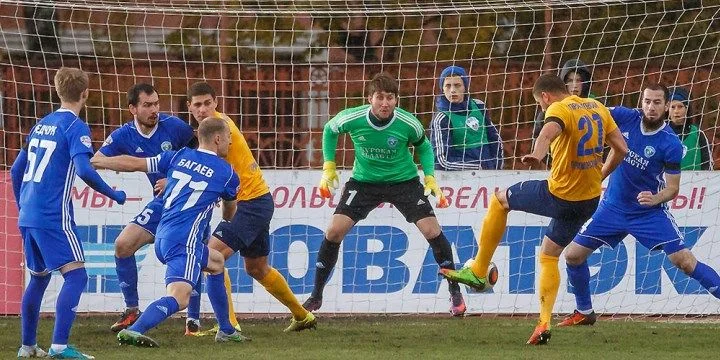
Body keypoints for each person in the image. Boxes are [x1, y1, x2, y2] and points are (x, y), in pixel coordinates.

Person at [440, 74, 628, 344]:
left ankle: (478, 271)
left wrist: (537, 155)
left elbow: (548, 131)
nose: (542, 108)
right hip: (588, 200)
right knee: (550, 256)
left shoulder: (558, 108)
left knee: (499, 199)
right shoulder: (596, 106)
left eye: (540, 104)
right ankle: (542, 324)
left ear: (546, 97)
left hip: (560, 194)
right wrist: (601, 175)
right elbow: (621, 148)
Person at [303, 72, 467, 316]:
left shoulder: (407, 122)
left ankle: (455, 293)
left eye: (390, 98)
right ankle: (316, 296)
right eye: (380, 97)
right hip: (364, 182)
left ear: (396, 100)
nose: (385, 103)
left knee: (432, 231)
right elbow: (329, 130)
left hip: (404, 182)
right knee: (333, 231)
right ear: (370, 98)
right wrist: (329, 166)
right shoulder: (353, 118)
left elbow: (424, 146)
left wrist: (430, 176)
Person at [561, 84, 720, 327]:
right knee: (572, 255)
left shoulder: (671, 143)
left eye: (657, 102)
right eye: (647, 101)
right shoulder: (626, 117)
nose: (651, 107)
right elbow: (594, 110)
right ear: (641, 101)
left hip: (648, 213)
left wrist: (655, 199)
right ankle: (584, 311)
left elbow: (673, 188)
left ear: (666, 106)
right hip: (612, 208)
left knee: (685, 262)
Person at [92, 117, 248, 347]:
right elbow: (228, 216)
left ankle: (226, 329)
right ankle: (135, 330)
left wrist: (99, 162)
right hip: (183, 241)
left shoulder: (178, 156)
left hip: (163, 233)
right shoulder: (226, 173)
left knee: (215, 262)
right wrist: (225, 201)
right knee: (180, 297)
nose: (230, 143)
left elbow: (135, 163)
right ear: (217, 138)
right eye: (228, 138)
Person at [11, 67, 127, 359]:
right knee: (76, 276)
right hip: (53, 215)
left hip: (29, 214)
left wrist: (21, 206)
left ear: (57, 90)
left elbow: (16, 170)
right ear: (86, 93)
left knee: (38, 278)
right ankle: (60, 347)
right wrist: (114, 194)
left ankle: (27, 347)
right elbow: (85, 169)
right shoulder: (75, 127)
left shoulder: (42, 124)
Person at [186, 82, 317, 332]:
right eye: (197, 104)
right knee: (256, 267)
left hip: (249, 203)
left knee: (212, 257)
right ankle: (302, 316)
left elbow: (214, 167)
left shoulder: (221, 131)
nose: (203, 109)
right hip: (256, 200)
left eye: (207, 103)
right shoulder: (209, 129)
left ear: (215, 102)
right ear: (189, 106)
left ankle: (230, 324)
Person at [93, 83, 198, 333]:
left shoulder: (175, 127)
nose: (155, 110)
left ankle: (193, 321)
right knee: (122, 245)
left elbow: (203, 156)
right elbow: (96, 160)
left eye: (156, 104)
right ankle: (132, 310)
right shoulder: (123, 135)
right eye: (147, 105)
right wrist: (127, 163)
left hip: (188, 203)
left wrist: (174, 178)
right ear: (133, 108)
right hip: (162, 204)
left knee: (196, 253)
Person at [430, 65, 503, 170]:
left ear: (465, 86)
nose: (452, 90)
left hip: (490, 174)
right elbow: (441, 160)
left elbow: (495, 139)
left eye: (457, 85)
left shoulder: (479, 106)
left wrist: (496, 166)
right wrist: (478, 167)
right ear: (442, 88)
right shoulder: (442, 118)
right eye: (448, 86)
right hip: (461, 180)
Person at [533, 59, 595, 140]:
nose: (574, 85)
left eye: (579, 80)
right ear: (563, 82)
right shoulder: (547, 113)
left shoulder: (596, 106)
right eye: (570, 80)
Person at [667, 86, 713, 170]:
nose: (676, 111)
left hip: (695, 182)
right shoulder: (662, 132)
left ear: (686, 108)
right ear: (668, 110)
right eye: (673, 107)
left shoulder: (697, 133)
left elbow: (708, 164)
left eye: (680, 107)